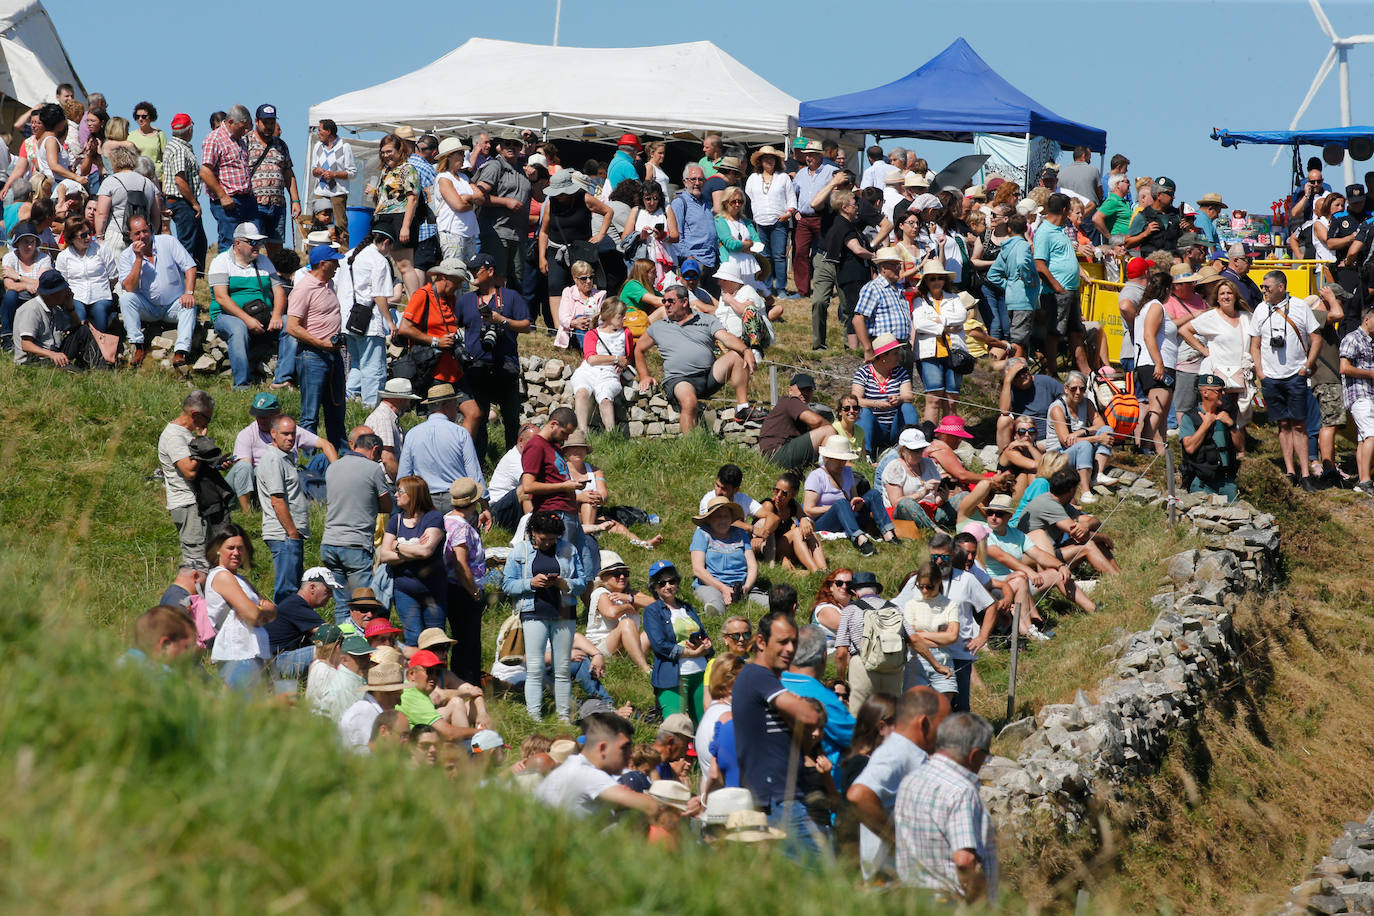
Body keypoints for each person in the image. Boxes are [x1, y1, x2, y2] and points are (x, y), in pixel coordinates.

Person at [732, 610, 823, 854]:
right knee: (822, 868)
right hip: (779, 800)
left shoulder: (765, 680)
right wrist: (799, 707)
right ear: (761, 642)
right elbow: (811, 716)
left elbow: (805, 737)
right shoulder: (758, 675)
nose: (790, 649)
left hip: (779, 798)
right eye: (783, 642)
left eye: (794, 642)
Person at [848, 687, 950, 881]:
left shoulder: (908, 751)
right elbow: (859, 794)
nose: (947, 733)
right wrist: (898, 842)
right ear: (924, 723)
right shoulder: (897, 751)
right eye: (943, 724)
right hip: (891, 881)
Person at [894, 712, 998, 903]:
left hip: (911, 899)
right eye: (985, 757)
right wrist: (979, 903)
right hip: (950, 903)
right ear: (974, 754)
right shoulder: (961, 791)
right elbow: (964, 860)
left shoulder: (910, 780)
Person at [634, 283, 761, 433]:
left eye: (671, 301)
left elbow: (726, 338)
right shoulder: (658, 327)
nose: (666, 304)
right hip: (679, 379)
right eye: (664, 301)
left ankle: (743, 408)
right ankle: (691, 444)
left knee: (737, 354)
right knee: (689, 402)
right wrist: (644, 376)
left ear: (684, 302)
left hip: (708, 376)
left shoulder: (706, 319)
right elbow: (639, 349)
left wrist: (746, 350)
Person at [503, 510, 587, 723]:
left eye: (553, 539)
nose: (548, 543)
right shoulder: (520, 551)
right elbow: (507, 585)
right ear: (533, 531)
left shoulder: (569, 549)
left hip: (564, 613)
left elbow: (582, 583)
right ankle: (534, 717)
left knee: (563, 668)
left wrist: (564, 583)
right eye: (543, 539)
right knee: (535, 667)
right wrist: (530, 583)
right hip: (533, 613)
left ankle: (564, 718)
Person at [1248, 271, 1321, 491]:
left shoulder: (1299, 307)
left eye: (1267, 287)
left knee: (1299, 424)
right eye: (1262, 287)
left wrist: (1307, 366)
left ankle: (1305, 473)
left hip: (1295, 375)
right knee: (1282, 424)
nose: (1263, 291)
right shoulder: (1261, 309)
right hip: (1271, 377)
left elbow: (1316, 338)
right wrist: (1260, 372)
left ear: (1281, 287)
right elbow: (1254, 344)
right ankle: (1290, 471)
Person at [454, 252, 532, 456]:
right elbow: (453, 327)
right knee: (478, 418)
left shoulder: (511, 297)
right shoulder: (465, 300)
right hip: (476, 368)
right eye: (470, 270)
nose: (472, 274)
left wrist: (502, 321)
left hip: (506, 366)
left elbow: (526, 326)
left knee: (511, 419)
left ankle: (513, 463)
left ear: (490, 271)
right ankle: (478, 463)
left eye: (476, 270)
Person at [534, 711, 665, 818]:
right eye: (624, 748)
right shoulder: (588, 774)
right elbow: (651, 807)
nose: (630, 754)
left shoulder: (570, 767)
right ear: (603, 748)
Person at [1178, 277, 1254, 459]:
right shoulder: (1211, 317)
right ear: (1217, 298)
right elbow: (1184, 330)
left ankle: (1239, 451)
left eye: (1229, 293)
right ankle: (1218, 449)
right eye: (1222, 294)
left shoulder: (1246, 317)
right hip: (1218, 374)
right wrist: (1204, 351)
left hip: (1241, 373)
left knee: (1240, 413)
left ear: (1235, 296)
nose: (1226, 296)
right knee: (1221, 411)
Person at [206, 221, 286, 388]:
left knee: (290, 325)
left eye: (259, 242)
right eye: (252, 242)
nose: (257, 246)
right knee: (238, 329)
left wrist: (277, 315)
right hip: (227, 316)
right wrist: (247, 320)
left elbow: (279, 291)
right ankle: (242, 385)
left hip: (263, 314)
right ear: (237, 243)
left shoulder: (265, 261)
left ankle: (283, 379)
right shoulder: (221, 261)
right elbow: (221, 298)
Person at [114, 213, 196, 368]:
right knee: (125, 299)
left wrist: (189, 293)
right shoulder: (126, 256)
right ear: (129, 235)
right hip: (149, 307)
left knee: (190, 305)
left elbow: (190, 267)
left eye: (145, 231)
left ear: (150, 228)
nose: (142, 236)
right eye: (137, 233)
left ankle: (181, 352)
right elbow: (129, 287)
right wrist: (138, 259)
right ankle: (138, 346)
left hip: (174, 304)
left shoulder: (168, 242)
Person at [286, 245, 346, 447]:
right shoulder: (304, 289)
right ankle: (307, 457)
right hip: (313, 355)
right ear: (323, 264)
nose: (337, 266)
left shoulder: (328, 284)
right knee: (310, 414)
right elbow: (292, 326)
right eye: (334, 262)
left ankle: (340, 453)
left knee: (336, 410)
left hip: (332, 354)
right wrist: (321, 343)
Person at [205, 524, 277, 690]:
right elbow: (253, 615)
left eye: (240, 548)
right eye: (230, 548)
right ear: (218, 549)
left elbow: (272, 611)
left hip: (252, 652)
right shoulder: (222, 576)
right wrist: (257, 611)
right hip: (238, 653)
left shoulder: (240, 579)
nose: (236, 553)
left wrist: (257, 611)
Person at [378, 475, 448, 647]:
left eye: (399, 491)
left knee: (435, 639)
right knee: (413, 638)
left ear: (413, 494)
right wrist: (414, 549)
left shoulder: (433, 518)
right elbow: (384, 555)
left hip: (433, 591)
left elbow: (425, 551)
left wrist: (397, 546)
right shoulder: (396, 520)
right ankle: (416, 665)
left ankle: (434, 666)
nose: (395, 495)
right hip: (404, 590)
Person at [397, 383, 488, 513]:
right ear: (446, 405)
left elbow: (404, 475)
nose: (457, 409)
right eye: (455, 404)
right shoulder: (460, 433)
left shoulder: (412, 434)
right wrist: (484, 503)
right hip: (457, 500)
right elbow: (474, 472)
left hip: (425, 501)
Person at [643, 558, 714, 722]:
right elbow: (659, 645)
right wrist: (691, 653)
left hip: (701, 672)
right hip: (672, 676)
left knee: (703, 724)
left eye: (672, 581)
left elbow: (704, 636)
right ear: (654, 587)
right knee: (674, 725)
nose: (668, 586)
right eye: (662, 583)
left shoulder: (687, 608)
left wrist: (705, 646)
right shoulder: (652, 611)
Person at [340, 229, 403, 407]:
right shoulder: (378, 260)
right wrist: (390, 322)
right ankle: (370, 408)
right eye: (390, 247)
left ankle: (347, 400)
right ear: (386, 243)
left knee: (358, 364)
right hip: (369, 323)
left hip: (348, 320)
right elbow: (379, 295)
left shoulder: (350, 255)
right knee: (374, 369)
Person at [805, 435, 895, 557]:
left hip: (848, 515)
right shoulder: (816, 477)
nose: (842, 463)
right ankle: (860, 539)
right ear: (827, 458)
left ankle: (888, 533)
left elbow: (853, 497)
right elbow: (808, 510)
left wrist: (856, 503)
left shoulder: (847, 472)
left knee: (873, 494)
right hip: (824, 521)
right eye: (838, 460)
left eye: (844, 460)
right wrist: (834, 508)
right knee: (841, 503)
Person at [781, 625, 856, 768]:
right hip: (820, 776)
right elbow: (856, 738)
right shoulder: (825, 698)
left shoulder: (773, 685)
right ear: (824, 656)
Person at [158, 390, 216, 569]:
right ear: (195, 414)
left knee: (207, 558)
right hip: (188, 505)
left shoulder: (185, 433)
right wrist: (202, 442)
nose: (208, 423)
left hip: (195, 504)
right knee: (197, 562)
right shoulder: (175, 437)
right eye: (208, 418)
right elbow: (189, 470)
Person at [255, 415, 309, 602]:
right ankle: (281, 621)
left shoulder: (285, 458)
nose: (290, 438)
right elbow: (277, 500)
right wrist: (292, 533)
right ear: (273, 433)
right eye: (285, 434)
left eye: (293, 434)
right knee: (287, 592)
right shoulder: (274, 459)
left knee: (293, 590)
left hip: (288, 534)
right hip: (283, 535)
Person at [910, 262, 968, 424]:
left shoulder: (954, 298)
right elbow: (919, 324)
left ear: (945, 280)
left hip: (954, 353)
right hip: (929, 355)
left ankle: (950, 434)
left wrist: (937, 320)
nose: (937, 282)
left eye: (940, 278)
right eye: (932, 279)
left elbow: (962, 316)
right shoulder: (919, 300)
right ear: (926, 282)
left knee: (952, 399)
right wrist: (946, 327)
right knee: (933, 398)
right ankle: (930, 434)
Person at [442, 477, 487, 684]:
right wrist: (475, 592)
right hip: (463, 590)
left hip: (452, 588)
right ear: (474, 502)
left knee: (461, 640)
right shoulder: (462, 527)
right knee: (468, 643)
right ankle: (467, 684)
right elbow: (460, 563)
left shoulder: (446, 520)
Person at [1047, 371, 1116, 503]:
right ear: (1066, 389)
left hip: (1078, 446)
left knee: (1106, 430)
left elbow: (1100, 425)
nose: (1078, 392)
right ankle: (1085, 491)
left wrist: (1082, 431)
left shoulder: (1087, 403)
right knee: (1085, 445)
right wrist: (1096, 439)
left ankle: (1098, 474)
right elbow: (1066, 441)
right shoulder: (1057, 409)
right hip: (1058, 455)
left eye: (1082, 389)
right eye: (1074, 388)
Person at [471, 136, 532, 286]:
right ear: (500, 146)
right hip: (497, 232)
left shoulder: (522, 169)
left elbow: (539, 196)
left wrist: (537, 177)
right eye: (507, 143)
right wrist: (505, 202)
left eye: (515, 144)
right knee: (497, 277)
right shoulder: (494, 166)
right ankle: (496, 302)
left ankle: (512, 302)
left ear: (521, 147)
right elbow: (478, 195)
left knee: (517, 280)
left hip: (518, 234)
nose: (511, 147)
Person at [368, 133, 423, 295]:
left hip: (400, 217)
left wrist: (405, 226)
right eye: (383, 152)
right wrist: (374, 193)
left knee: (404, 265)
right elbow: (385, 199)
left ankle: (416, 302)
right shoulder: (386, 171)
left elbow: (412, 199)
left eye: (389, 151)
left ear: (400, 150)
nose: (386, 155)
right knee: (379, 260)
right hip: (383, 217)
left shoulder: (408, 169)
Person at [199, 105, 257, 253]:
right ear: (231, 122)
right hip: (229, 201)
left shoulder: (240, 140)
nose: (245, 131)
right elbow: (205, 171)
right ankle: (225, 268)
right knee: (229, 242)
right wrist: (222, 195)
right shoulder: (214, 139)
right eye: (242, 127)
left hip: (247, 199)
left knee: (253, 241)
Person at [585, 550, 653, 675]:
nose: (622, 577)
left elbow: (657, 605)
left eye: (625, 573)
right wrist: (627, 606)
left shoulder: (629, 594)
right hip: (601, 647)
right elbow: (611, 613)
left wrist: (630, 598)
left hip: (626, 648)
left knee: (653, 627)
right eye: (616, 574)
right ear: (604, 578)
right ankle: (645, 669)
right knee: (626, 623)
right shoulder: (600, 592)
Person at [1132, 269, 1178, 455]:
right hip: (1157, 363)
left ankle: (1161, 450)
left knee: (1162, 412)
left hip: (1155, 362)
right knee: (1157, 409)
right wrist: (1159, 363)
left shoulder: (1146, 306)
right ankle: (1144, 447)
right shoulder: (1156, 306)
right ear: (1166, 289)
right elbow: (1149, 335)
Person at [850, 333, 919, 457]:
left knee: (907, 407)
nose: (899, 356)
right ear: (883, 356)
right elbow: (855, 400)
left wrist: (899, 399)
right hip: (874, 427)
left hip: (895, 427)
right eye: (895, 353)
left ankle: (913, 448)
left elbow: (909, 396)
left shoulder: (901, 372)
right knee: (863, 412)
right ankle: (865, 454)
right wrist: (876, 404)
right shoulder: (863, 373)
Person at [264, 567, 339, 679]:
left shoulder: (296, 603)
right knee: (330, 650)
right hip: (278, 662)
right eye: (328, 590)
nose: (331, 595)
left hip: (275, 660)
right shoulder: (296, 606)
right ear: (312, 587)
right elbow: (329, 633)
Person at [690, 496, 760, 615]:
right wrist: (722, 588)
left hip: (741, 585)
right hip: (711, 585)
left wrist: (747, 587)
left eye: (726, 516)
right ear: (709, 518)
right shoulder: (702, 534)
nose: (722, 520)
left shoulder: (741, 533)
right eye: (718, 516)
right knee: (715, 600)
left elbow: (752, 565)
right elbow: (697, 569)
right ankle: (715, 613)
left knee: (765, 601)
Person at [245, 104, 299, 255]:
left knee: (276, 249)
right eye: (265, 122)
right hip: (254, 204)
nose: (269, 126)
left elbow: (289, 173)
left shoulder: (281, 145)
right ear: (257, 121)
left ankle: (273, 270)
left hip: (277, 205)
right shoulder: (246, 141)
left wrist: (295, 200)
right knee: (252, 246)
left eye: (272, 122)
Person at [569, 296, 629, 433]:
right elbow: (591, 359)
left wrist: (624, 362)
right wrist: (616, 359)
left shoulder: (626, 333)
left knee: (606, 398)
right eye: (621, 315)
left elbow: (628, 357)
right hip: (588, 372)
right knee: (581, 393)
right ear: (609, 316)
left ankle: (611, 435)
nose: (624, 318)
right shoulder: (592, 334)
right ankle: (582, 432)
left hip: (609, 374)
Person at [1180, 374, 1240, 502]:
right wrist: (1206, 424)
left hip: (1226, 482)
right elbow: (1189, 447)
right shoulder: (1190, 417)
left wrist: (1231, 425)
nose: (1223, 393)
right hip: (1202, 482)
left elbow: (1240, 447)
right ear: (1205, 393)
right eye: (1219, 390)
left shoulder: (1225, 415)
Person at [744, 146, 795, 298]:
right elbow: (749, 198)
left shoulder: (783, 177)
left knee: (779, 256)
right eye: (766, 158)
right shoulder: (753, 179)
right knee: (764, 256)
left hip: (779, 221)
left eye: (772, 158)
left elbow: (791, 199)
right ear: (760, 161)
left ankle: (781, 289)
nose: (769, 161)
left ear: (776, 161)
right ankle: (766, 287)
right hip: (760, 222)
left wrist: (788, 214)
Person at [751, 472, 826, 572]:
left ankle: (824, 569)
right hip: (769, 548)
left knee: (811, 533)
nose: (778, 495)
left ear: (793, 495)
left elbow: (804, 518)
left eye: (784, 493)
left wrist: (804, 520)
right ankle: (815, 570)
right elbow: (763, 533)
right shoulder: (769, 505)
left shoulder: (793, 505)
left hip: (784, 545)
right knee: (797, 532)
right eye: (776, 490)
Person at [757, 372, 832, 471]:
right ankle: (827, 472)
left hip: (775, 455)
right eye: (802, 389)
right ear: (790, 390)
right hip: (777, 454)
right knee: (828, 430)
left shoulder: (792, 408)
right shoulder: (791, 401)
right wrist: (836, 435)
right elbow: (817, 422)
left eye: (809, 390)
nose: (805, 393)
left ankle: (827, 469)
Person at [54, 214, 115, 331]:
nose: (88, 237)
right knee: (78, 316)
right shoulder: (64, 256)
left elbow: (113, 276)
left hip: (101, 294)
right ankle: (81, 341)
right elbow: (63, 281)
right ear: (72, 237)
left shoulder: (101, 250)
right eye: (83, 235)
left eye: (89, 233)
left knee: (100, 312)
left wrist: (105, 289)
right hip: (76, 295)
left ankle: (100, 340)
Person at [9, 269, 78, 366]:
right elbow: (26, 345)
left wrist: (70, 308)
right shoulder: (31, 309)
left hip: (53, 353)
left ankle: (96, 367)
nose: (67, 293)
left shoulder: (56, 309)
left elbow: (76, 327)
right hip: (34, 360)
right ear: (51, 294)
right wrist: (52, 355)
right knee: (74, 373)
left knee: (83, 331)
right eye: (63, 290)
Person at [1340, 307, 1374, 496]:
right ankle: (1366, 480)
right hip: (1358, 394)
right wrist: (1370, 374)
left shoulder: (1371, 342)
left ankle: (1363, 481)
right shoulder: (1352, 338)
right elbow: (1344, 368)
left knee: (1363, 438)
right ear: (1367, 319)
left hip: (1369, 394)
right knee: (1371, 434)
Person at [338, 662, 407, 753]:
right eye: (397, 695)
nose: (399, 702)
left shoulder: (369, 711)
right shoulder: (363, 714)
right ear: (382, 693)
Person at [671, 164, 718, 291]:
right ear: (684, 182)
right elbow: (676, 236)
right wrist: (688, 257)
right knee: (696, 300)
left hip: (711, 262)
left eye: (701, 179)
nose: (697, 183)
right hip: (693, 263)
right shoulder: (679, 203)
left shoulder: (707, 203)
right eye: (693, 179)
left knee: (712, 300)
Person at [311, 120, 356, 248]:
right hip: (321, 191)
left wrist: (334, 174)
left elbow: (352, 172)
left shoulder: (344, 147)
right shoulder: (318, 146)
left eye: (320, 130)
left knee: (340, 224)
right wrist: (318, 171)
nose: (318, 133)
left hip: (338, 192)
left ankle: (343, 252)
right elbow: (313, 170)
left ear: (328, 131)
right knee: (318, 222)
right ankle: (317, 250)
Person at [555, 260, 607, 352]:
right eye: (584, 278)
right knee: (580, 318)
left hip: (594, 331)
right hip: (573, 333)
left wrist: (592, 322)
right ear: (575, 279)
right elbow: (563, 318)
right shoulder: (568, 292)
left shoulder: (599, 295)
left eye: (591, 277)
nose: (588, 281)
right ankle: (587, 351)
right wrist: (574, 322)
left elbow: (603, 318)